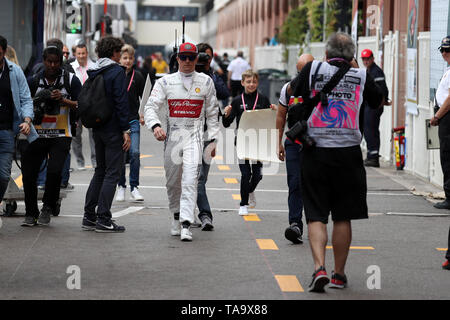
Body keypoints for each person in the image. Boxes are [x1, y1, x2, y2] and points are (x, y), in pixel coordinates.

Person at [290, 32, 384, 292]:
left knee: (316, 215)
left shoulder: (311, 69)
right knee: (343, 216)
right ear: (352, 56)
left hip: (315, 150)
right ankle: (339, 275)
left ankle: (319, 267)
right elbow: (378, 101)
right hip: (349, 153)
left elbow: (293, 94)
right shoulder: (362, 75)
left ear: (326, 53)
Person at [144, 42, 219, 242]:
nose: (187, 61)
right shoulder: (165, 82)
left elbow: (212, 113)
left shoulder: (206, 82)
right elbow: (150, 107)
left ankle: (186, 223)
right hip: (173, 137)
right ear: (177, 59)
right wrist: (155, 126)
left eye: (191, 57)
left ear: (197, 59)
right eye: (183, 57)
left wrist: (212, 139)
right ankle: (176, 215)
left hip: (195, 136)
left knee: (190, 180)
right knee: (172, 182)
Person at [21, 46, 81, 227]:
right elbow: (23, 102)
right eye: (49, 62)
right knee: (29, 174)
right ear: (44, 61)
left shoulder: (71, 81)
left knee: (55, 172)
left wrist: (63, 100)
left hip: (61, 134)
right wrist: (39, 100)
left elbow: (82, 104)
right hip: (37, 134)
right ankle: (31, 212)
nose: (52, 65)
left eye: (56, 62)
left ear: (61, 62)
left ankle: (48, 206)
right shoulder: (33, 81)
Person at [81, 36, 131, 233]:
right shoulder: (116, 72)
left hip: (97, 127)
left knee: (100, 171)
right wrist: (125, 130)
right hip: (112, 129)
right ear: (114, 53)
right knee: (113, 173)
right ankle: (103, 218)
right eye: (119, 52)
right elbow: (120, 101)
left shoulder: (93, 70)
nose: (120, 56)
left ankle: (89, 216)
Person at [223, 69, 277, 216]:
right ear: (242, 83)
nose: (251, 84)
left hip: (259, 142)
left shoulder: (263, 99)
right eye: (248, 81)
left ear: (257, 82)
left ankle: (250, 190)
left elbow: (270, 121)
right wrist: (225, 115)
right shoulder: (236, 101)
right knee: (245, 174)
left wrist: (274, 110)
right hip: (242, 142)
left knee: (258, 175)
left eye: (254, 81)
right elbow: (227, 124)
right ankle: (243, 204)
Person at [276, 54, 314, 245]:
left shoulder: (322, 88)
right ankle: (295, 224)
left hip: (316, 144)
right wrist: (279, 143)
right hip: (293, 143)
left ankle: (316, 224)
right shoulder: (288, 89)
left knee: (315, 185)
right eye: (301, 71)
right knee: (295, 183)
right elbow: (281, 116)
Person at [195, 42, 230, 231]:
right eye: (200, 56)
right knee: (195, 178)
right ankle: (205, 214)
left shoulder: (212, 77)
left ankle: (196, 211)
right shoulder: (188, 77)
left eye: (207, 57)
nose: (204, 60)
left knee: (201, 178)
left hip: (208, 133)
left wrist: (212, 74)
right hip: (188, 133)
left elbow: (225, 92)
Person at [0, 35, 37, 208]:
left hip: (7, 131)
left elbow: (26, 99)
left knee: (3, 175)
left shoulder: (14, 71)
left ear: (4, 52)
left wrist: (27, 121)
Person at [430, 36, 450, 270]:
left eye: (447, 50)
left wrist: (437, 115)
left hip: (446, 119)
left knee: (447, 156)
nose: (444, 53)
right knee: (444, 156)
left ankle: (449, 195)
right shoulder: (448, 69)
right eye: (442, 50)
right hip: (444, 118)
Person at [116, 44, 145, 202]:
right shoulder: (115, 75)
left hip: (133, 120)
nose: (127, 61)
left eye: (130, 58)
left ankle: (134, 187)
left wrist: (143, 114)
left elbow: (144, 98)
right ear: (119, 59)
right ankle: (121, 186)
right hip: (118, 122)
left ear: (134, 59)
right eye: (124, 58)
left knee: (134, 153)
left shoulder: (138, 76)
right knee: (121, 154)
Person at [361, 49, 389, 167]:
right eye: (364, 59)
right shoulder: (368, 71)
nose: (366, 61)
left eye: (368, 59)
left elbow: (383, 89)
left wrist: (383, 101)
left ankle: (373, 157)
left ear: (372, 58)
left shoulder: (376, 72)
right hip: (370, 105)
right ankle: (371, 155)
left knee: (370, 131)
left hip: (373, 106)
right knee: (369, 131)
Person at [71, 43, 97, 170]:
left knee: (93, 135)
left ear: (87, 53)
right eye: (79, 53)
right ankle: (80, 161)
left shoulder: (94, 67)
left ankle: (95, 161)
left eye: (83, 53)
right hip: (76, 106)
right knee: (76, 135)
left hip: (91, 107)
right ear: (75, 54)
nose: (81, 56)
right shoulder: (71, 68)